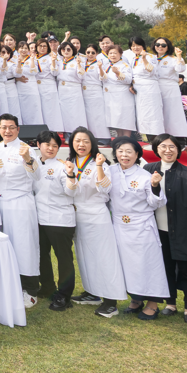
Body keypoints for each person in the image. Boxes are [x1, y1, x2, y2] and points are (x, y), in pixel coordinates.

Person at [64, 128, 129, 317]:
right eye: (77, 141)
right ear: (72, 144)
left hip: (97, 216)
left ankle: (111, 301)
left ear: (92, 143)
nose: (81, 145)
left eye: (85, 141)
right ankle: (92, 292)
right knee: (85, 257)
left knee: (104, 258)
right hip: (77, 215)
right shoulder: (70, 163)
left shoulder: (98, 163)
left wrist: (100, 166)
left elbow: (105, 189)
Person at [144, 134, 187, 322]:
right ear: (156, 149)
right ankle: (170, 303)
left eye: (172, 147)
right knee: (165, 268)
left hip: (184, 230)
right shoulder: (148, 170)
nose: (168, 150)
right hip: (158, 231)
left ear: (178, 150)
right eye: (163, 146)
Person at [107, 136, 168, 320]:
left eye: (129, 152)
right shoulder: (109, 172)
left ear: (137, 154)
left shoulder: (144, 176)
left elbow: (156, 202)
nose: (124, 155)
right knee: (127, 265)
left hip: (141, 227)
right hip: (119, 226)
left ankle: (153, 304)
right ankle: (136, 299)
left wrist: (155, 185)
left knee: (147, 264)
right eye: (120, 151)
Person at [0, 114, 40, 307]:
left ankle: (30, 290)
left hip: (20, 203)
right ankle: (9, 286)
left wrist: (28, 159)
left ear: (18, 129)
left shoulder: (26, 149)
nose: (7, 131)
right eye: (4, 127)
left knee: (24, 246)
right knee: (4, 246)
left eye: (11, 127)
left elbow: (37, 175)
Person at [33, 132, 76, 311]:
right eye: (47, 144)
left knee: (64, 259)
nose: (50, 148)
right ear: (38, 145)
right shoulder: (32, 164)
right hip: (39, 218)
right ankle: (48, 287)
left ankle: (64, 295)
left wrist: (71, 175)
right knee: (42, 255)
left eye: (55, 146)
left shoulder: (62, 166)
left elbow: (71, 192)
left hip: (60, 220)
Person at [153, 38, 187, 138]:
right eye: (158, 44)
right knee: (158, 113)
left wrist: (179, 56)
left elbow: (180, 68)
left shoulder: (173, 59)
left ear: (168, 47)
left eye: (163, 45)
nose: (160, 47)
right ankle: (159, 137)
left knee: (172, 114)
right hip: (155, 88)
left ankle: (176, 137)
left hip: (169, 88)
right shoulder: (151, 58)